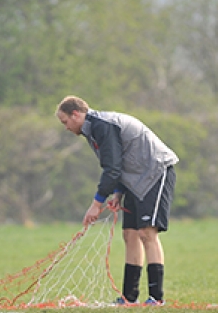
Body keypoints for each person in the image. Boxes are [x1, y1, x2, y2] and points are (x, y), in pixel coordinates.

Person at [55, 95, 178, 306]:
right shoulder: (91, 130)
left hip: (155, 172)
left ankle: (156, 298)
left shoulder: (102, 126)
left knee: (147, 232)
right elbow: (117, 163)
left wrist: (96, 204)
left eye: (65, 121)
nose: (65, 127)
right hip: (134, 180)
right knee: (130, 235)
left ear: (76, 114)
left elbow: (111, 169)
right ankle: (129, 297)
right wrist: (118, 194)